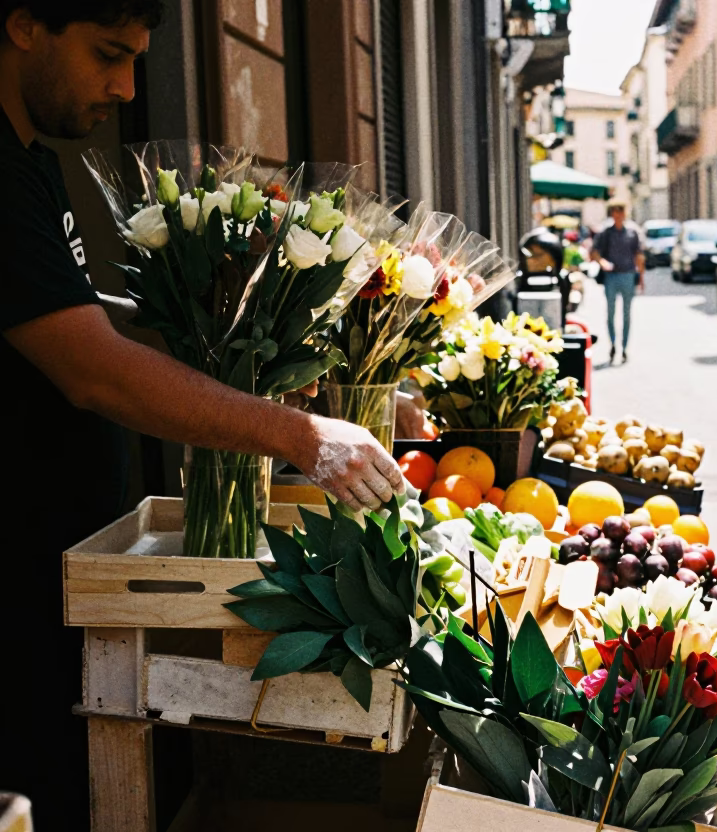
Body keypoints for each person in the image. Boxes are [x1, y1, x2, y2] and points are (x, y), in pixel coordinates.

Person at [0, 2, 405, 825]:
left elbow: (72, 311)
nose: (126, 87)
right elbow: (93, 371)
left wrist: (249, 355)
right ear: (25, 25)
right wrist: (296, 433)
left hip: (65, 564)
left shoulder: (32, 160)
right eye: (107, 53)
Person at [590, 203, 645, 364]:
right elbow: (594, 252)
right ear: (612, 214)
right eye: (615, 212)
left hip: (628, 275)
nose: (618, 215)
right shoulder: (606, 233)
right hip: (611, 277)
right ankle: (613, 344)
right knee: (611, 313)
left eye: (621, 212)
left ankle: (625, 347)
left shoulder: (632, 233)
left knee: (627, 314)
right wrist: (603, 263)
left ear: (625, 214)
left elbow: (639, 256)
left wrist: (641, 278)